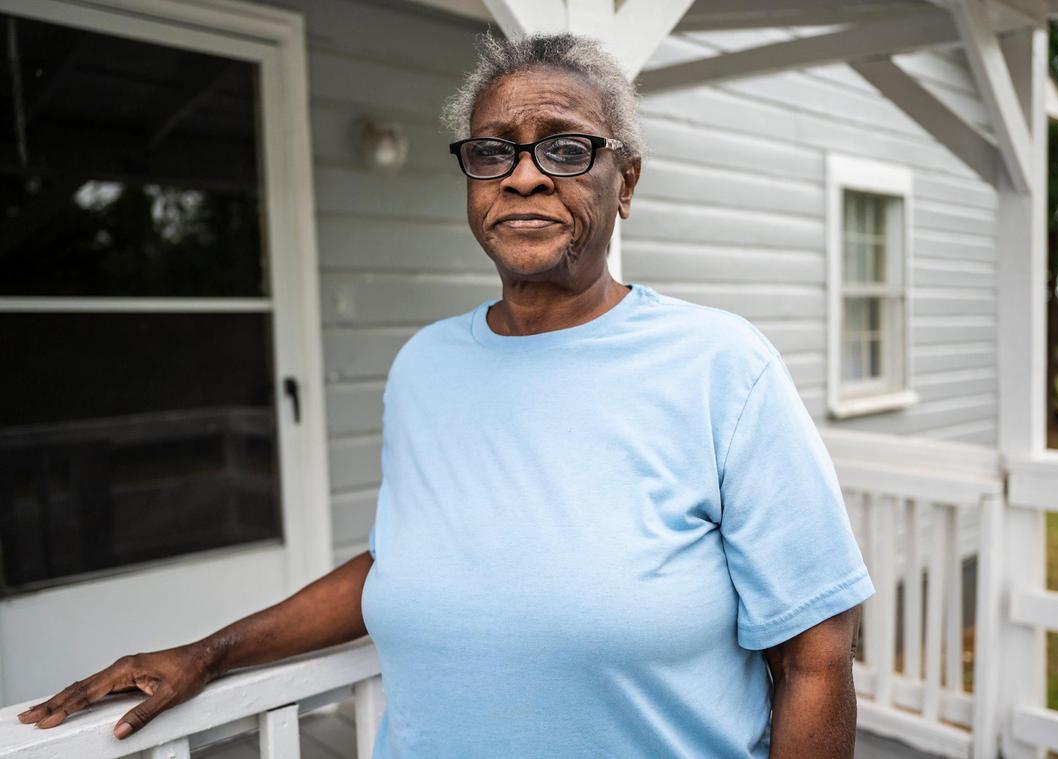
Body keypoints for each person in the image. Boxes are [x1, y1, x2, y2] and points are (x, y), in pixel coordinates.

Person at [16, 30, 874, 758]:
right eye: (494, 148)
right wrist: (210, 652)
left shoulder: (722, 365)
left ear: (628, 181)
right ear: (472, 180)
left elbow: (817, 654)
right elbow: (403, 559)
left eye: (566, 147)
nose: (526, 175)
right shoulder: (426, 365)